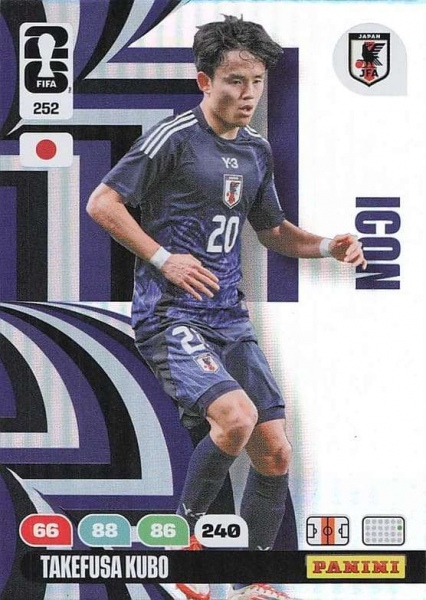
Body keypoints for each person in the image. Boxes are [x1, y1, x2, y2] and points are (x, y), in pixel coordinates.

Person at [86, 15, 367, 600]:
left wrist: (326, 246)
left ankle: (253, 580)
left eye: (257, 82)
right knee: (235, 419)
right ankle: (178, 543)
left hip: (229, 319)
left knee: (275, 450)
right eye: (235, 81)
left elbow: (272, 231)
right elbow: (102, 203)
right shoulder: (172, 138)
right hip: (170, 314)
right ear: (204, 81)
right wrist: (164, 258)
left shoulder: (257, 150)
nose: (248, 94)